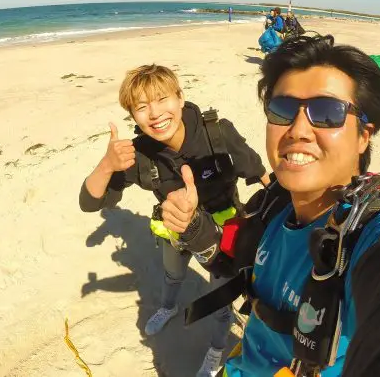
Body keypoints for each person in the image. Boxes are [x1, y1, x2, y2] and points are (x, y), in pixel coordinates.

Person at [158, 35, 380, 376]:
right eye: (282, 109)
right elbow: (228, 259)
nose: (298, 129)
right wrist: (191, 226)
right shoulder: (271, 205)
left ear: (364, 136)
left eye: (327, 112)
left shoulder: (370, 231)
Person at [79, 64, 270, 376]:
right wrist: (106, 164)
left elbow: (259, 172)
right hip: (175, 231)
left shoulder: (218, 134)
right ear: (133, 115)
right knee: (172, 275)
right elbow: (90, 203)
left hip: (222, 237)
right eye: (141, 107)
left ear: (180, 98)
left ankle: (217, 349)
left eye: (162, 99)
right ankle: (168, 307)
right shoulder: (139, 155)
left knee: (223, 303)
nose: (154, 114)